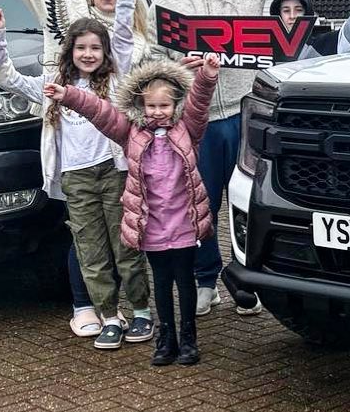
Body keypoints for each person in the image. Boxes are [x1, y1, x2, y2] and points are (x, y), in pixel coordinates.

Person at [0, 0, 153, 337]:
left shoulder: (133, 41)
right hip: (73, 163)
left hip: (117, 162)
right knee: (86, 241)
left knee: (125, 240)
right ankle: (99, 311)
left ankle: (139, 311)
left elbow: (132, 52)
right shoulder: (63, 19)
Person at [150, 0, 287, 318]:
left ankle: (249, 281)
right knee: (201, 202)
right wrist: (176, 68)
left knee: (254, 199)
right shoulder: (166, 4)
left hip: (246, 113)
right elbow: (151, 61)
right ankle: (206, 279)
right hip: (198, 119)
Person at [46, 53, 220, 367]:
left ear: (175, 104)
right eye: (151, 106)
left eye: (164, 106)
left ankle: (189, 338)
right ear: (140, 106)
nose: (157, 112)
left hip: (183, 223)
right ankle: (166, 338)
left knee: (184, 279)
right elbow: (99, 111)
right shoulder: (131, 133)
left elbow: (200, 102)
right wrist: (68, 95)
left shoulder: (188, 129)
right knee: (162, 282)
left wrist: (206, 76)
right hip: (151, 224)